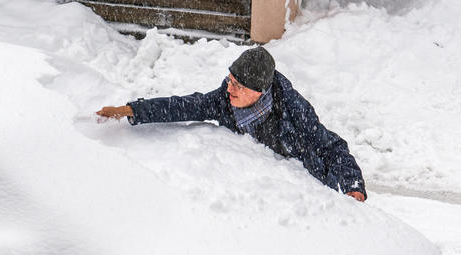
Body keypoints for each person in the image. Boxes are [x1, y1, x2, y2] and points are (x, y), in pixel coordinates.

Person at [97, 47, 367, 202]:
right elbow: (184, 106)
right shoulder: (224, 100)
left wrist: (353, 187)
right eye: (229, 79)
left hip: (308, 195)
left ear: (259, 91)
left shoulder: (293, 110)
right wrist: (131, 110)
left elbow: (332, 147)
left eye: (238, 84)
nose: (229, 87)